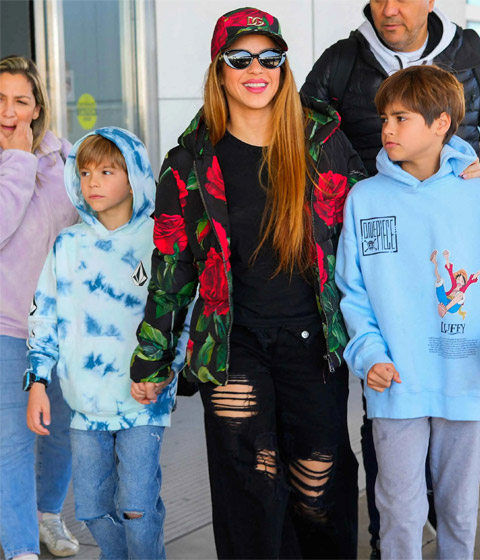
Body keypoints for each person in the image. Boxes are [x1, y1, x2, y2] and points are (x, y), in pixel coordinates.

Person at [301, 3, 480, 552]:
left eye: (400, 120)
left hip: (464, 380)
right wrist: (368, 353)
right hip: (394, 385)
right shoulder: (365, 199)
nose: (385, 130)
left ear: (442, 124)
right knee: (397, 510)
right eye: (384, 118)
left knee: (458, 511)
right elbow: (353, 292)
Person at [130, 7, 363, 559]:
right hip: (234, 346)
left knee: (318, 488)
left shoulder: (323, 142)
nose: (256, 69)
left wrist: (451, 165)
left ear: (283, 66)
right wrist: (152, 358)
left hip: (313, 345)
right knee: (251, 493)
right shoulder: (188, 163)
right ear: (219, 69)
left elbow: (377, 216)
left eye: (269, 57)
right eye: (240, 58)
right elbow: (172, 268)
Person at [25, 128, 184, 560]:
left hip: (144, 399)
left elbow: (182, 315)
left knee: (136, 505)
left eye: (107, 172)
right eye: (85, 172)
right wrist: (38, 381)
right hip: (85, 404)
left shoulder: (160, 241)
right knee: (93, 510)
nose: (92, 182)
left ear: (134, 178)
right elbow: (44, 314)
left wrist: (166, 372)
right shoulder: (67, 244)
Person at [301, 0, 480, 201]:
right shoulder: (340, 61)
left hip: (455, 224)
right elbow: (296, 145)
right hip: (376, 230)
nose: (388, 10)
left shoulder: (470, 54)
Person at [0, 55, 79, 560]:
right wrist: (18, 162)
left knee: (60, 431)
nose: (8, 111)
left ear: (37, 107)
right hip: (8, 327)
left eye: (20, 100)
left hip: (64, 326)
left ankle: (47, 514)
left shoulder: (64, 158)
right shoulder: (16, 163)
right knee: (11, 440)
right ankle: (20, 546)